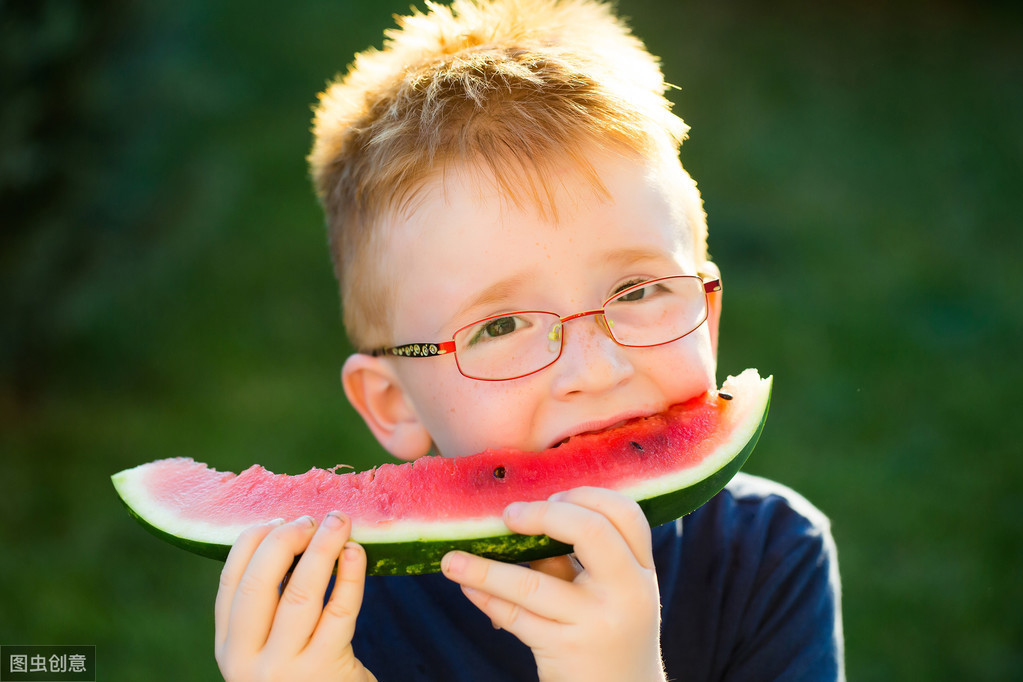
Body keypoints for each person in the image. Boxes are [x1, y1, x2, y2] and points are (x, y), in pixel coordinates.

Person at [212, 0, 844, 679]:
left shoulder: (772, 552)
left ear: (707, 312)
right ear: (392, 402)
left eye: (636, 292)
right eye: (501, 326)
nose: (595, 370)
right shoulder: (332, 619)